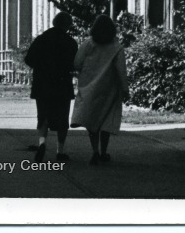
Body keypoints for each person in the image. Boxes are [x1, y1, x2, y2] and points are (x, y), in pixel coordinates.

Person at [71, 14, 129, 165]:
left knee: (92, 119)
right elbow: (121, 69)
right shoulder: (117, 47)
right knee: (105, 120)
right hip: (110, 87)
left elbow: (77, 63)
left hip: (89, 85)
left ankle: (94, 151)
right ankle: (104, 152)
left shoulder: (88, 44)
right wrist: (124, 88)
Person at [24, 10, 78, 162]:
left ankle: (42, 143)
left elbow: (28, 59)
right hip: (62, 83)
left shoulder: (41, 39)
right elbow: (74, 63)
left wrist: (41, 67)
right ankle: (60, 151)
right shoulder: (70, 42)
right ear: (68, 25)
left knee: (43, 115)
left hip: (42, 83)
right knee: (62, 117)